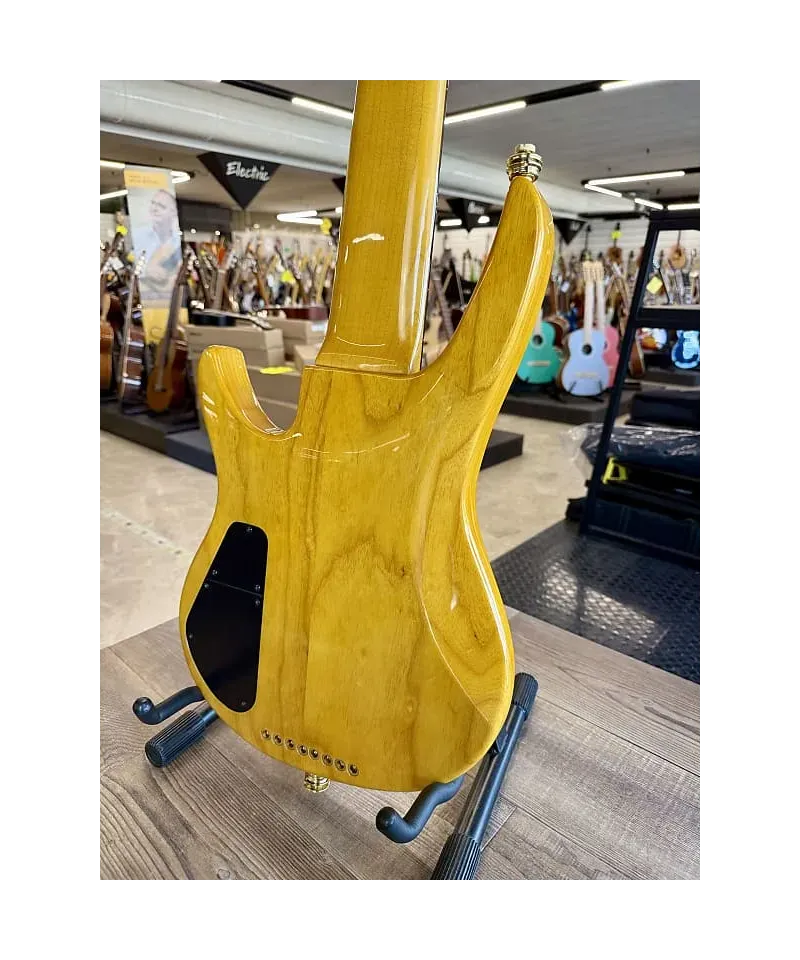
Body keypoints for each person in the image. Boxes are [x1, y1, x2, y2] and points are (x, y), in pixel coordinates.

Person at [135, 189, 182, 301]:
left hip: (170, 298)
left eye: (161, 206)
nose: (154, 208)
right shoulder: (139, 236)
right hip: (145, 298)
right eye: (153, 203)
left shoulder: (179, 243)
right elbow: (129, 266)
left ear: (173, 213)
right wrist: (145, 270)